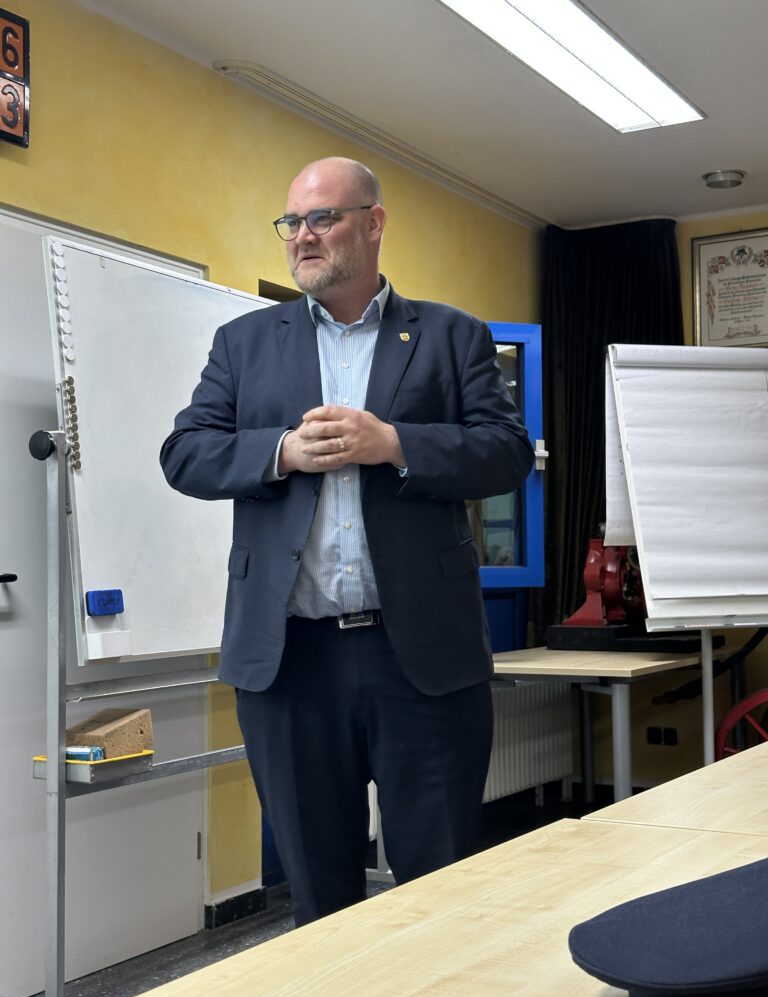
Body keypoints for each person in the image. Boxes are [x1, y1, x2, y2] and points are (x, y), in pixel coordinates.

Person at [160, 156, 534, 926]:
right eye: (291, 222)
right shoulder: (244, 343)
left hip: (421, 658)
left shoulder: (451, 335)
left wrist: (394, 443)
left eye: (322, 218)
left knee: (439, 889)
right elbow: (186, 453)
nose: (302, 236)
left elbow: (505, 453)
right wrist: (281, 452)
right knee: (319, 898)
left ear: (373, 222)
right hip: (291, 661)